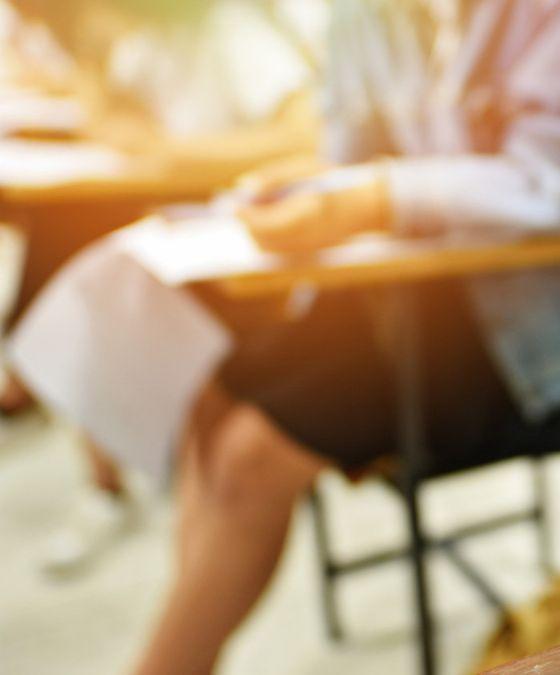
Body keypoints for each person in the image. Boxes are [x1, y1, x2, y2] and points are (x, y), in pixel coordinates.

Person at [10, 0, 560, 671]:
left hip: (548, 319)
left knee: (252, 455)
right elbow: (353, 155)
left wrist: (377, 196)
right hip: (405, 292)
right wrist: (316, 193)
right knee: (208, 394)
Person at [0, 0, 321, 578]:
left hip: (254, 259)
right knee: (81, 254)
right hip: (196, 247)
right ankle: (102, 470)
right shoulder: (144, 42)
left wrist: (173, 157)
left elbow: (307, 137)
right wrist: (95, 67)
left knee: (89, 264)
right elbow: (112, 116)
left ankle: (86, 452)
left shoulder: (230, 31)